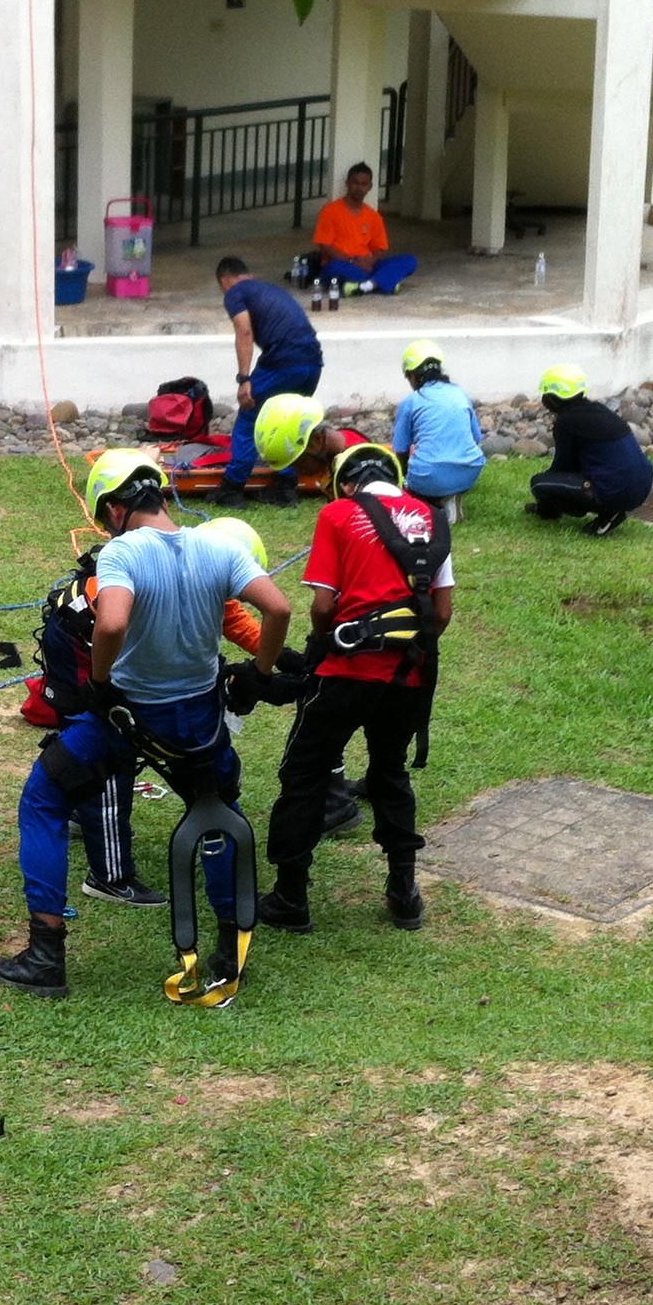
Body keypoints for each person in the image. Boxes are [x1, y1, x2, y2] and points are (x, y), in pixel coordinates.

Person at [0, 450, 290, 1004]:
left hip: (128, 719)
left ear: (117, 507)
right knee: (219, 812)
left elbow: (114, 620)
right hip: (198, 723)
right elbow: (279, 609)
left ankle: (46, 953)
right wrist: (261, 675)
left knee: (44, 798)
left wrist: (100, 683)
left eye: (105, 518)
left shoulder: (124, 553)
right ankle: (228, 950)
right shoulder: (217, 545)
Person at [35, 514, 278, 909]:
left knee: (166, 757)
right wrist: (100, 688)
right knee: (111, 759)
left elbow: (243, 625)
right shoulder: (152, 577)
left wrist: (280, 663)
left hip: (107, 650)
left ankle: (84, 816)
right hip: (80, 645)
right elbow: (112, 629)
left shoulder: (197, 570)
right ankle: (110, 875)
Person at [259, 443, 454, 935]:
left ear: (347, 483)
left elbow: (323, 607)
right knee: (389, 771)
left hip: (345, 673)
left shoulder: (340, 515)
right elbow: (443, 612)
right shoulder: (433, 518)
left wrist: (326, 646)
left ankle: (291, 897)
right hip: (408, 677)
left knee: (304, 773)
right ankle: (404, 892)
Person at [217, 256, 324, 505]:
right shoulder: (270, 289)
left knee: (251, 415)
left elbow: (244, 331)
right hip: (312, 362)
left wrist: (244, 379)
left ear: (226, 280)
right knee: (290, 422)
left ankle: (232, 489)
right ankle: (286, 488)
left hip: (283, 360)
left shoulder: (235, 292)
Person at [528, 364, 653, 537]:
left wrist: (547, 502)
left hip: (616, 491)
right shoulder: (599, 411)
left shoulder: (568, 422)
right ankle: (613, 506)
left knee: (539, 483)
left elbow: (563, 466)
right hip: (642, 486)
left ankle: (609, 510)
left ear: (553, 398)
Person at [393, 338, 487, 520]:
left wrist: (405, 478)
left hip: (427, 476)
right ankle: (451, 494)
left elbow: (401, 450)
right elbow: (476, 438)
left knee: (414, 486)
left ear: (413, 376)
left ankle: (435, 502)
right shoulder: (461, 393)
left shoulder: (411, 402)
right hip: (469, 471)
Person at [309, 162, 420, 295]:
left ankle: (367, 285)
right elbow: (324, 245)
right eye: (355, 183)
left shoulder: (374, 216)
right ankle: (383, 282)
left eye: (364, 184)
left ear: (370, 187)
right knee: (334, 268)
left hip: (367, 265)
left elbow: (379, 248)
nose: (359, 188)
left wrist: (370, 260)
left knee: (410, 261)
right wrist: (352, 261)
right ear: (347, 184)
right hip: (342, 264)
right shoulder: (330, 211)